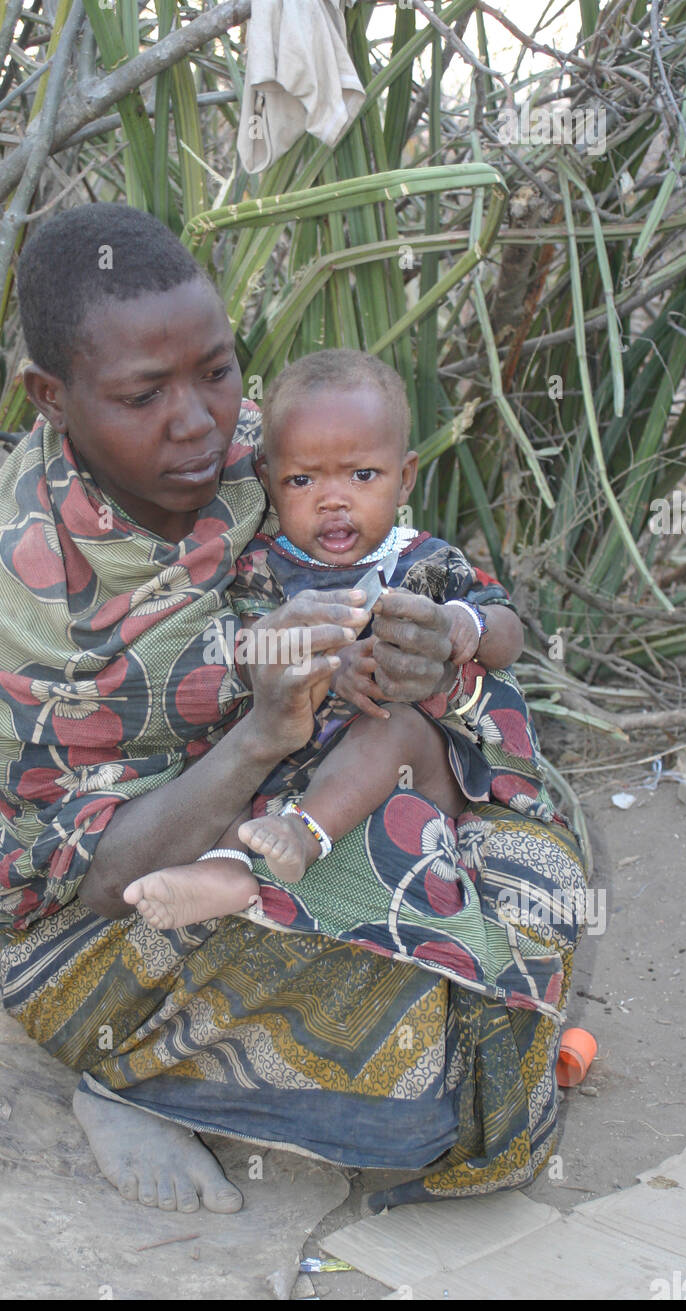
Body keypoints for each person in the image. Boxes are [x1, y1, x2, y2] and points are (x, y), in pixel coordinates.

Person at [0, 201, 588, 1218]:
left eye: (215, 368)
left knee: (535, 877)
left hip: (299, 800)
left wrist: (420, 646)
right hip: (109, 921)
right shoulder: (14, 610)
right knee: (435, 1091)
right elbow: (103, 881)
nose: (199, 421)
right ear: (51, 398)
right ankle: (121, 1074)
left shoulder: (261, 450)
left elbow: (429, 581)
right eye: (143, 393)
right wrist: (261, 732)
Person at [123, 349, 537, 937]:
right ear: (267, 479)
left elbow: (509, 632)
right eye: (302, 479)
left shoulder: (426, 561)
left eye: (362, 475)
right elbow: (245, 653)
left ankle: (307, 834)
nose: (333, 499)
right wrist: (317, 666)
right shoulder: (262, 570)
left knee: (388, 726)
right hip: (291, 756)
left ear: (406, 477)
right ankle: (225, 869)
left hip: (406, 764)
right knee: (220, 753)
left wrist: (459, 629)